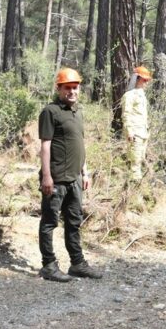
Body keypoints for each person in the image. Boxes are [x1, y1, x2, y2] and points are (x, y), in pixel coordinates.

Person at [38, 67, 102, 282]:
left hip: (75, 179)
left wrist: (85, 172)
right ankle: (48, 266)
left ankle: (77, 264)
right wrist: (47, 176)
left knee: (74, 222)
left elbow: (80, 144)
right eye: (68, 88)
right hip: (56, 179)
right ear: (59, 88)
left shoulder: (77, 112)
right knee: (49, 223)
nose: (72, 92)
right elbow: (45, 145)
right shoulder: (50, 111)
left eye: (75, 88)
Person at [121, 66, 152, 181]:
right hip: (135, 134)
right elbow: (126, 114)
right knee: (135, 163)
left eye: (147, 80)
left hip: (143, 133)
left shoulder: (142, 96)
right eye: (144, 80)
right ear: (137, 79)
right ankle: (135, 190)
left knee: (139, 160)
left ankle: (135, 188)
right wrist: (129, 132)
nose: (146, 83)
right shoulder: (129, 96)